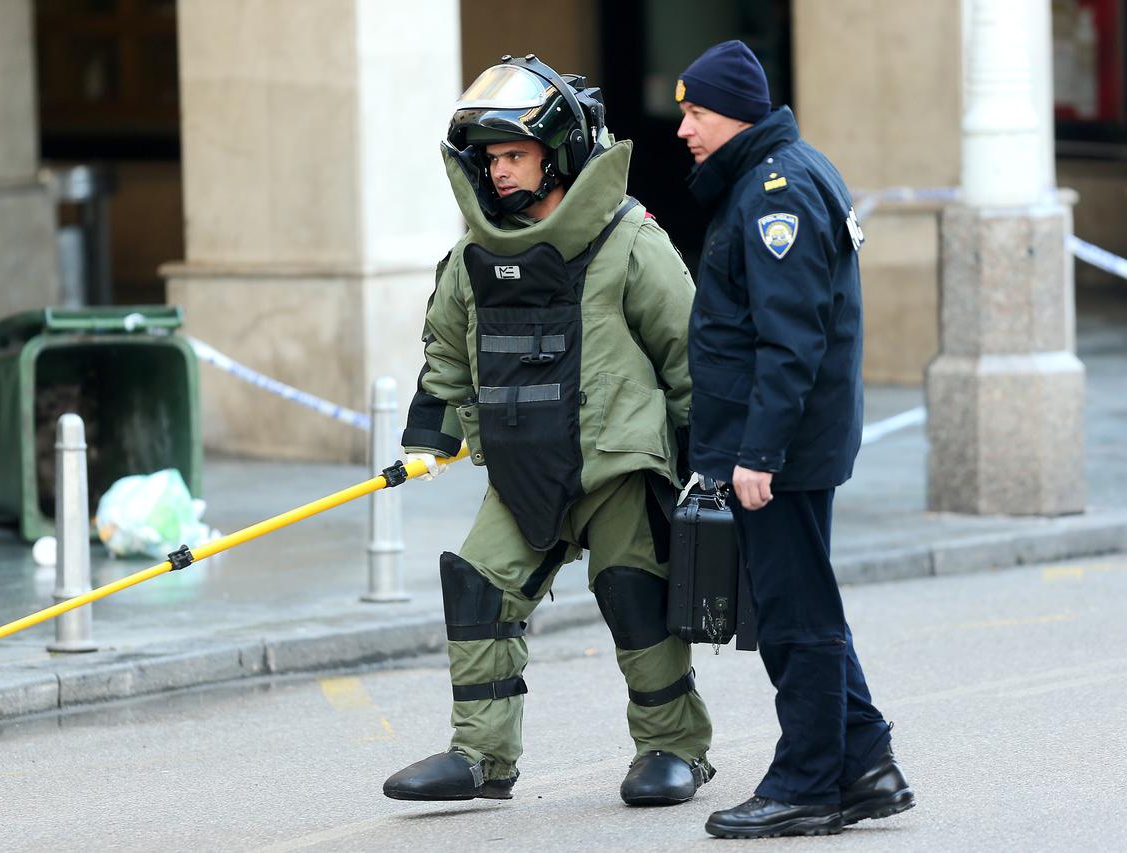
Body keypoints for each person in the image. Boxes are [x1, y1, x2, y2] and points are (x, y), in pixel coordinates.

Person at [382, 54, 715, 806]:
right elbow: (445, 343)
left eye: (514, 155)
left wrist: (707, 456)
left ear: (558, 152)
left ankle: (672, 750)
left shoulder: (629, 238)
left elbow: (687, 348)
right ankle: (481, 758)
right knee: (478, 587)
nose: (498, 173)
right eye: (492, 158)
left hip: (615, 463)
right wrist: (430, 433)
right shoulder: (473, 254)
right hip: (521, 466)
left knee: (634, 595)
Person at [673, 41, 916, 838]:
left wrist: (757, 453)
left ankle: (807, 783)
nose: (684, 128)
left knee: (793, 615)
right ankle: (866, 761)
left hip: (777, 451)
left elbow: (792, 339)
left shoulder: (776, 188)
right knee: (803, 603)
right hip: (782, 445)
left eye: (696, 112)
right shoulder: (777, 175)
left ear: (738, 113)